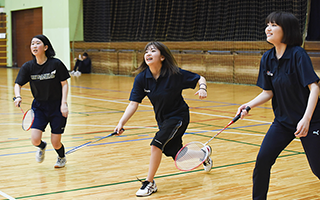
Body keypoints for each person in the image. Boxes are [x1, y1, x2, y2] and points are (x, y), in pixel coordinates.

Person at [236, 11, 320, 200]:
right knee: (262, 162)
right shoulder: (267, 58)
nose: (268, 28)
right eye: (267, 24)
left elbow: (314, 88)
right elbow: (268, 91)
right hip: (283, 122)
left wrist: (306, 119)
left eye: (274, 25)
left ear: (286, 29)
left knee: (318, 169)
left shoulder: (298, 54)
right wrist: (248, 105)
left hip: (312, 121)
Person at [114, 41, 210, 197]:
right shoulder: (142, 78)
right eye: (146, 51)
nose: (148, 54)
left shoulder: (175, 74)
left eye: (153, 51)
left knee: (156, 145)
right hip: (163, 120)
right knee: (178, 154)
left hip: (179, 117)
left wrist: (202, 88)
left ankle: (149, 183)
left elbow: (200, 78)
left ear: (163, 57)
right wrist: (121, 123)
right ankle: (202, 155)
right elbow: (133, 104)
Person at [13, 35, 70, 168]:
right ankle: (42, 146)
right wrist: (18, 96)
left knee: (56, 143)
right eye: (32, 43)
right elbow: (18, 84)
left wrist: (64, 103)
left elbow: (64, 84)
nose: (34, 46)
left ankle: (61, 157)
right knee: (35, 139)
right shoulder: (28, 67)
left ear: (45, 47)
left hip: (56, 106)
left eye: (38, 43)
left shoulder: (56, 64)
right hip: (39, 107)